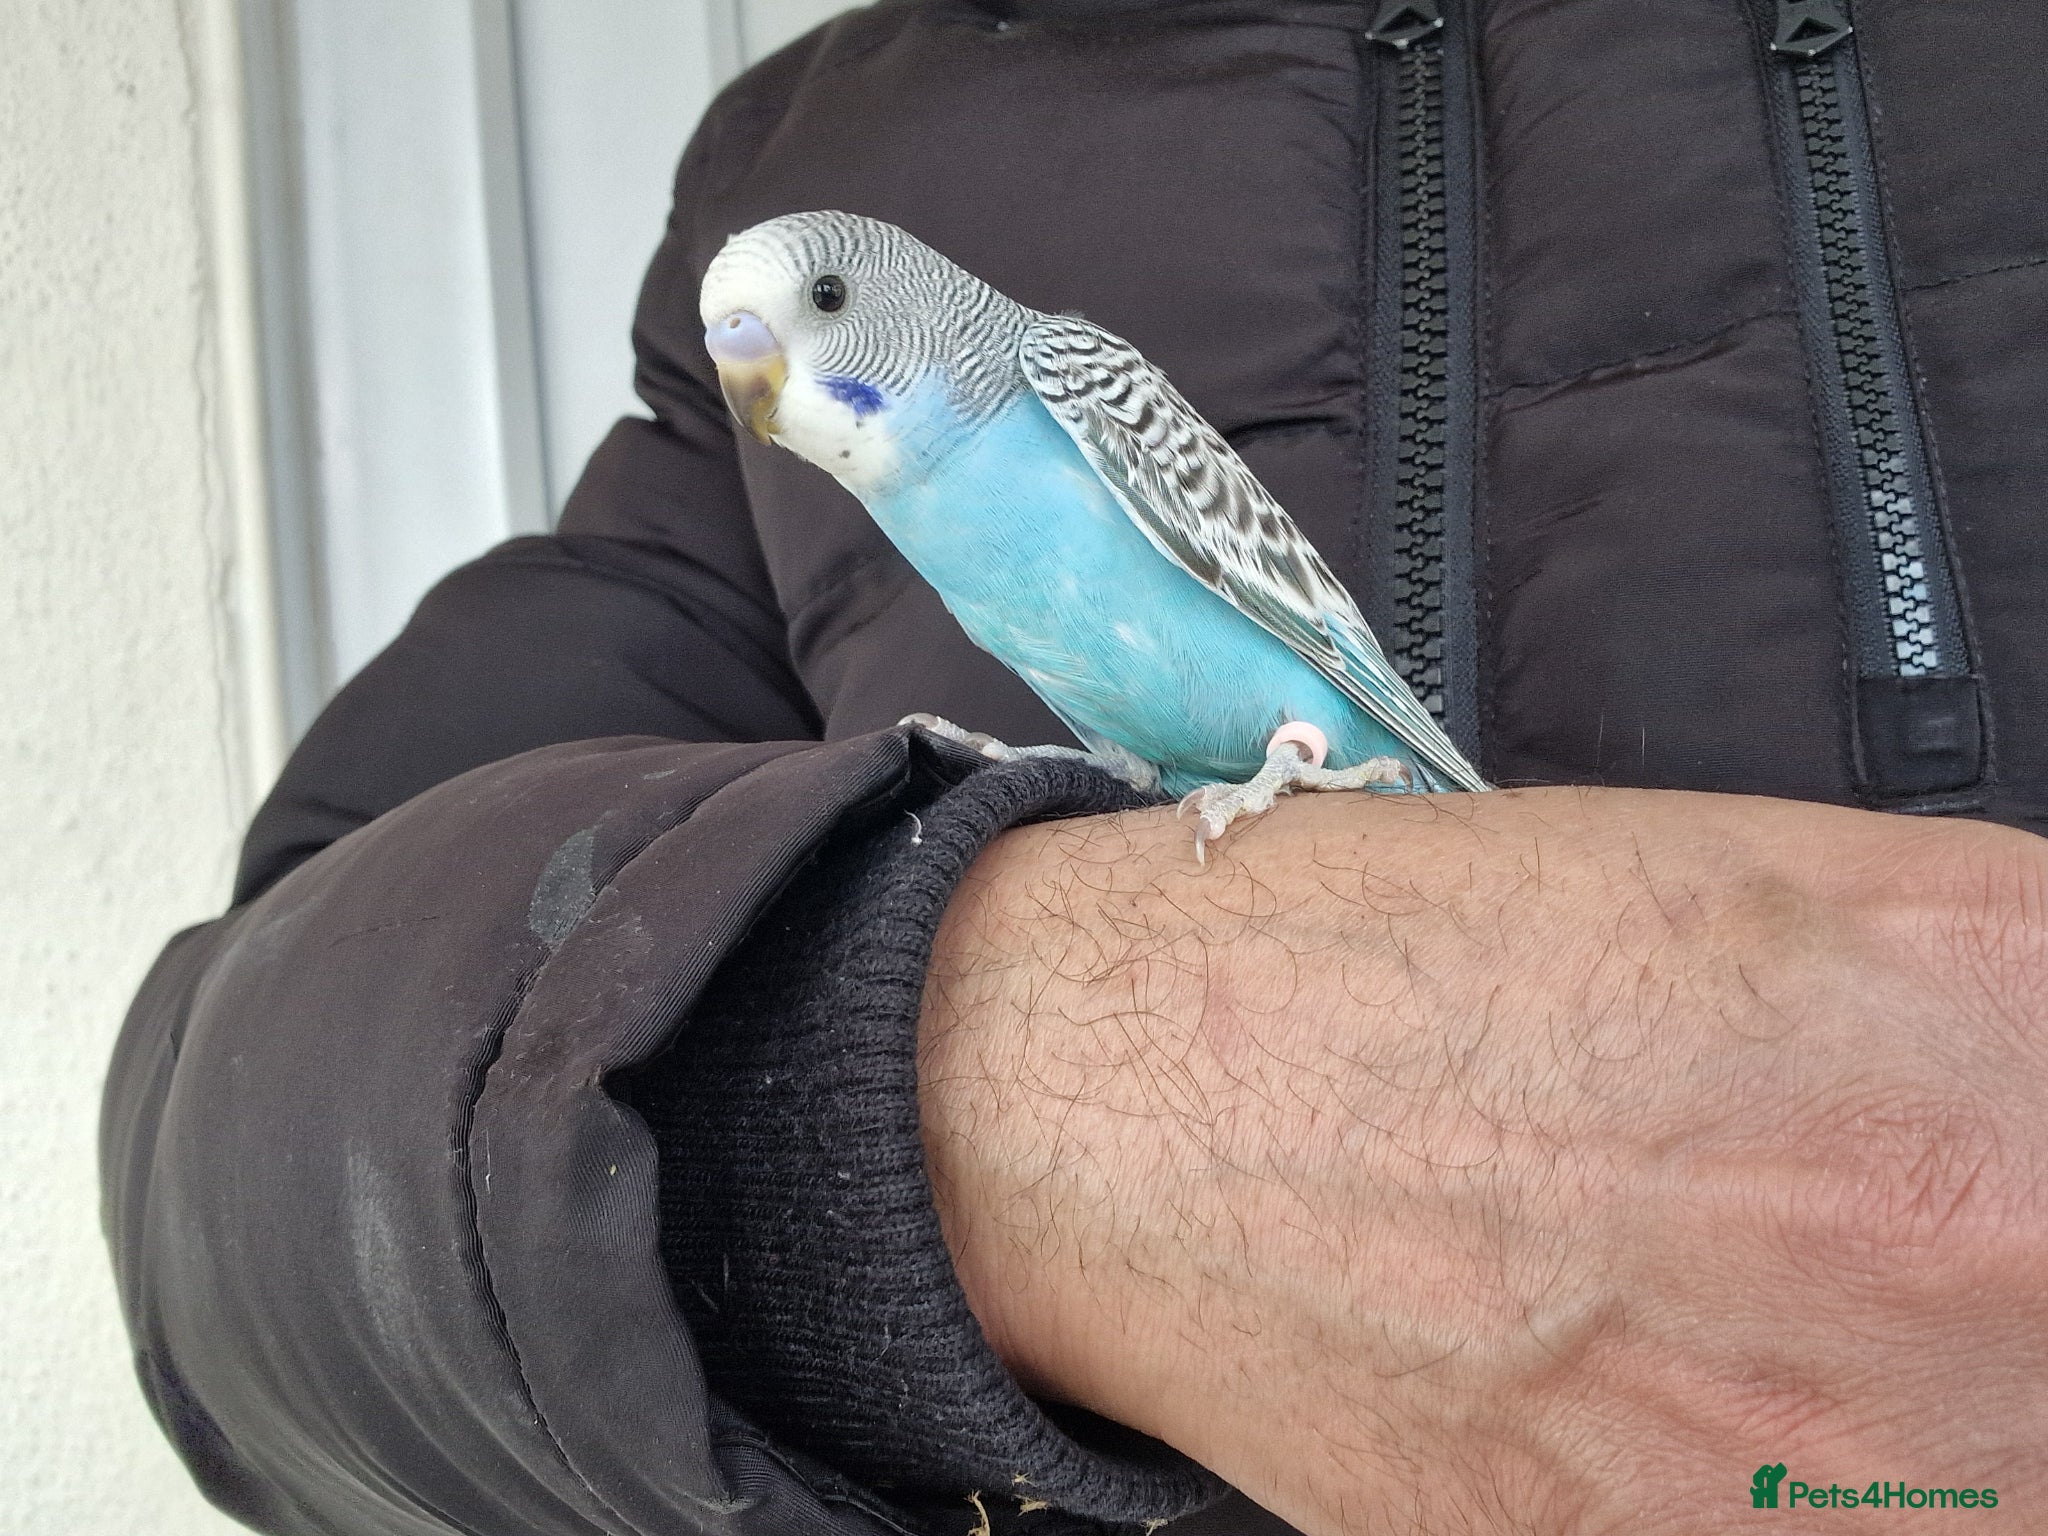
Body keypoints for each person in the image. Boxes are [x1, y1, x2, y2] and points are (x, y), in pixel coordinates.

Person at [102, 1, 2048, 1532]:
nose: (774, 372)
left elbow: (1295, 629)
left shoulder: (1066, 380)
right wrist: (905, 1066)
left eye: (814, 317)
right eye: (754, 344)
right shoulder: (803, 171)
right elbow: (256, 1111)